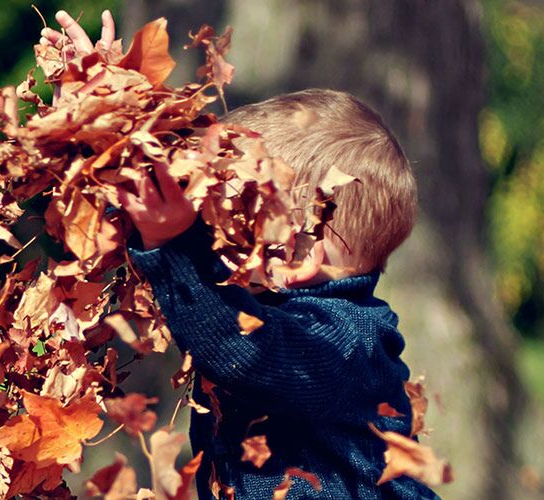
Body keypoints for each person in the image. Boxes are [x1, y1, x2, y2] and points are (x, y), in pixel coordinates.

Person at [120, 88, 439, 499]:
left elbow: (246, 351)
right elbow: (199, 289)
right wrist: (111, 125)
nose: (205, 227)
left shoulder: (342, 340)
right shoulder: (267, 306)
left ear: (298, 251)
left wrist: (171, 241)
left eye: (229, 218)